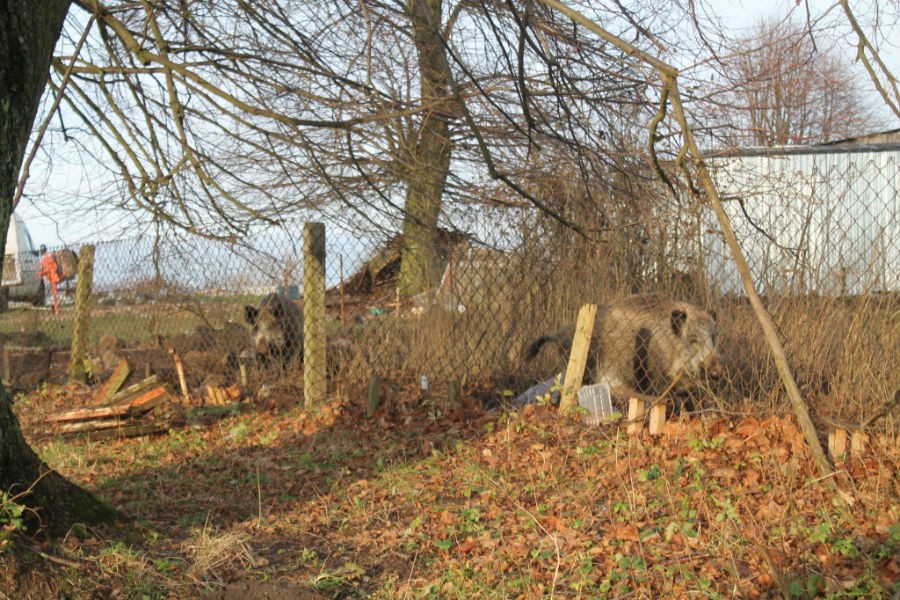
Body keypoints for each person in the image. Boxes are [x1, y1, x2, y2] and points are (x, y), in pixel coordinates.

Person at [38, 245, 61, 314]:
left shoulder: (46, 258)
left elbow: (49, 268)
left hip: (52, 277)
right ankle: (56, 308)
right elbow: (54, 267)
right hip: (51, 277)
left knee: (55, 293)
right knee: (54, 293)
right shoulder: (47, 258)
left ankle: (56, 309)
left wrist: (42, 273)